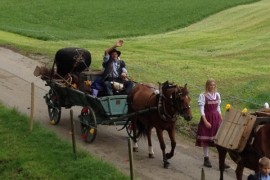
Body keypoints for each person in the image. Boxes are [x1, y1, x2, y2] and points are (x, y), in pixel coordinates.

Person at [195, 78, 229, 168]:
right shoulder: (203, 96)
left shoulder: (217, 95)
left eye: (213, 85)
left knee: (219, 139)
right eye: (210, 85)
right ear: (207, 86)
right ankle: (206, 158)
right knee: (206, 139)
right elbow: (201, 110)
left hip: (216, 118)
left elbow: (218, 108)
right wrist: (205, 121)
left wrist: (221, 119)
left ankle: (222, 161)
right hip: (207, 118)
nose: (212, 87)